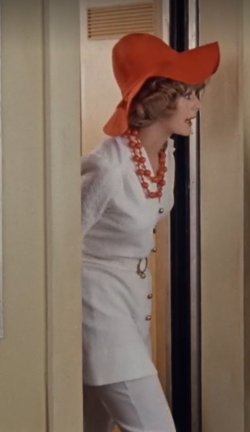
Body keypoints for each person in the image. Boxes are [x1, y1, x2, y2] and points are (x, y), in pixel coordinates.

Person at [80, 33, 219, 432]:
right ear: (158, 100)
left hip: (132, 302)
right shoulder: (108, 168)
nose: (197, 105)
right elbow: (56, 246)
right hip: (98, 307)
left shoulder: (164, 153)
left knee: (91, 425)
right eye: (188, 95)